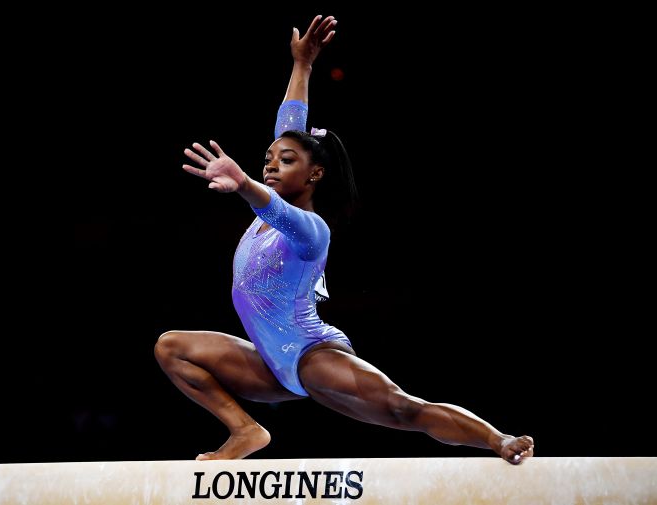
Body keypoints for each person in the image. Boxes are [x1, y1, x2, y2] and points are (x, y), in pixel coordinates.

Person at [155, 15, 534, 465]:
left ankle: (498, 440)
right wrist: (303, 66)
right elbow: (290, 126)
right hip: (268, 363)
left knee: (401, 407)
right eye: (267, 158)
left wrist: (242, 184)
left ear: (314, 174)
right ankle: (245, 431)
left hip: (312, 355)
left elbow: (270, 206)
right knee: (171, 347)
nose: (271, 164)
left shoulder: (311, 229)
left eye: (286, 160)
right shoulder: (278, 183)